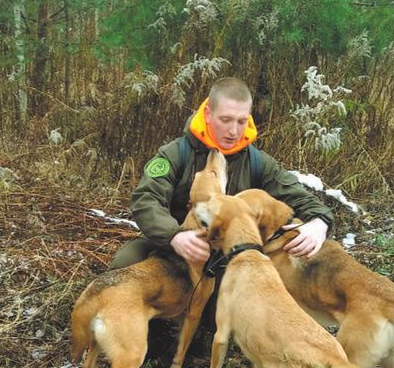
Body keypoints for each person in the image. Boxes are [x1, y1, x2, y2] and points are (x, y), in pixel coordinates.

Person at [111, 76, 333, 270]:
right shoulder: (175, 153)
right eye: (225, 120)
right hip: (172, 242)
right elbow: (146, 200)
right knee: (126, 262)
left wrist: (319, 223)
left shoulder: (258, 162)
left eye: (241, 121)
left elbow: (301, 198)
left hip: (227, 253)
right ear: (207, 114)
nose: (234, 131)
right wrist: (174, 236)